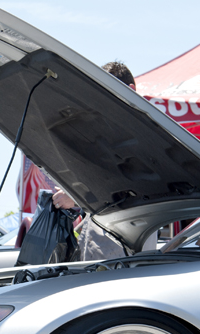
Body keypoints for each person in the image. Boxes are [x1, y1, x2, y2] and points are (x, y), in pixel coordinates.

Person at [51, 60, 155, 261]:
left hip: (122, 240)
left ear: (131, 90)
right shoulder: (115, 128)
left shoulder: (141, 131)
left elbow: (129, 183)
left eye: (107, 91)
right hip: (112, 235)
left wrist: (76, 197)